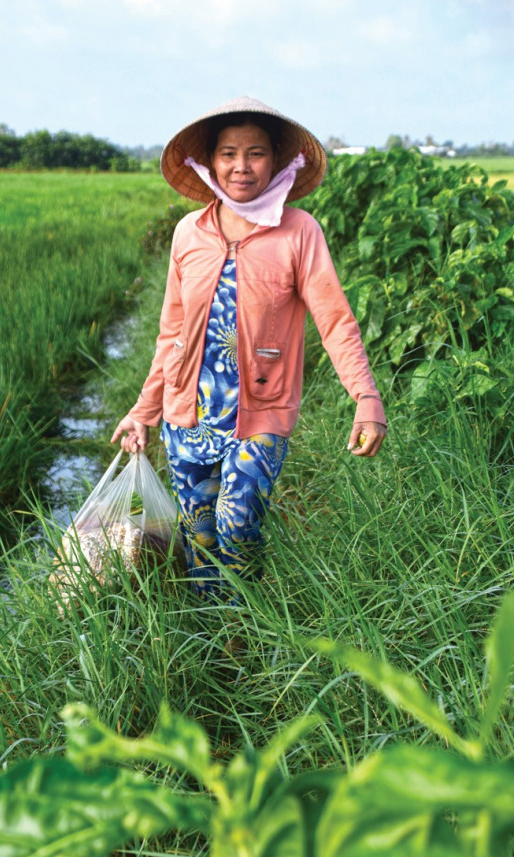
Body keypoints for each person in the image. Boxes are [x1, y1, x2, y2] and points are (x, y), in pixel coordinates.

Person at [112, 95, 386, 599]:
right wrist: (143, 410)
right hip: (187, 414)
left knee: (238, 529)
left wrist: (366, 398)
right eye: (229, 153)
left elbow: (334, 318)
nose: (242, 166)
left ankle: (244, 633)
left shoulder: (299, 232)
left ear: (277, 160)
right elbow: (171, 332)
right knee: (199, 537)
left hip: (259, 414)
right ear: (211, 162)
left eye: (256, 153)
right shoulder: (188, 233)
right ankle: (209, 643)